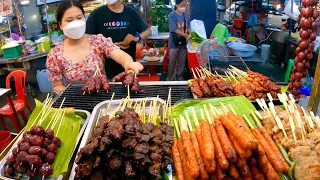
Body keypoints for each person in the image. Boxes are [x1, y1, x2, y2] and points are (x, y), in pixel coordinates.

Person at [46, 0, 143, 92]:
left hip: (102, 97)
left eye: (79, 18)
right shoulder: (55, 54)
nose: (75, 23)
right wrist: (72, 94)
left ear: (84, 19)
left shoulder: (97, 41)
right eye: (69, 20)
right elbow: (57, 86)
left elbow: (120, 55)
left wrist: (128, 64)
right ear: (60, 25)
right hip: (76, 103)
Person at [86, 0, 151, 78]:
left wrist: (137, 38)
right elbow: (88, 40)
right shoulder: (97, 14)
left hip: (129, 66)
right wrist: (110, 46)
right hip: (105, 70)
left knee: (130, 86)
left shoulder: (131, 13)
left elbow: (148, 30)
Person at [167, 0, 190, 81]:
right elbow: (174, 29)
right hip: (174, 42)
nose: (183, 7)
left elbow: (188, 27)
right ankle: (171, 79)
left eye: (185, 5)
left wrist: (191, 33)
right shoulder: (172, 15)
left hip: (183, 42)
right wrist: (185, 35)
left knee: (182, 61)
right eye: (182, 5)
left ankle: (179, 77)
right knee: (172, 61)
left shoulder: (185, 15)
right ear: (177, 5)